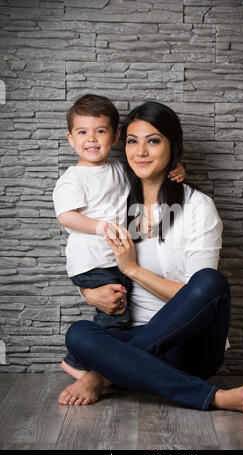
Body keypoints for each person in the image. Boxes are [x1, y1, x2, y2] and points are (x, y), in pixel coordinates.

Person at [58, 101, 243, 416]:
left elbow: (200, 299)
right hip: (130, 333)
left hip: (188, 346)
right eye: (133, 142)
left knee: (210, 282)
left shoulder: (197, 207)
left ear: (172, 147)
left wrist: (132, 270)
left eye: (153, 141)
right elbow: (87, 252)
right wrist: (89, 292)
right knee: (78, 334)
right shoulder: (117, 200)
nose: (141, 152)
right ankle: (214, 397)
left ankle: (105, 373)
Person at [52, 95, 185, 341]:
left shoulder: (118, 168)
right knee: (117, 314)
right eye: (82, 132)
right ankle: (86, 363)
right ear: (70, 138)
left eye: (100, 131)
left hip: (114, 259)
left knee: (124, 312)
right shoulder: (73, 179)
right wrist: (101, 227)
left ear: (114, 137)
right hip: (92, 262)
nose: (91, 139)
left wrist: (175, 169)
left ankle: (107, 362)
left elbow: (148, 173)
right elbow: (66, 217)